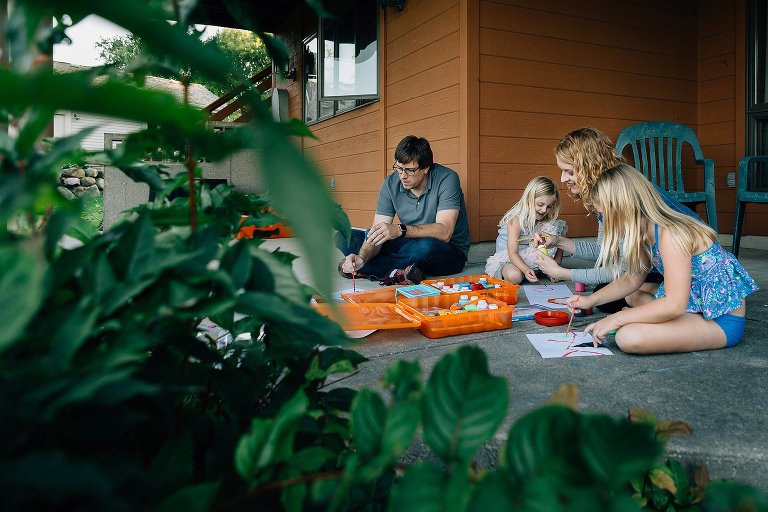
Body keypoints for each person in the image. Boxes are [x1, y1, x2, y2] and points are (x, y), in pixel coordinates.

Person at [566, 164, 758, 354]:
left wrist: (617, 319)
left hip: (720, 321)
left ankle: (650, 320)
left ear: (623, 208)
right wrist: (589, 300)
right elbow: (631, 279)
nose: (604, 221)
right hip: (693, 304)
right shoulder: (642, 233)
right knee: (632, 293)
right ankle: (653, 318)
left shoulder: (671, 235)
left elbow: (675, 304)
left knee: (628, 337)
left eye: (604, 215)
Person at [532, 127, 701, 312]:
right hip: (653, 267)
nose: (563, 179)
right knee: (605, 294)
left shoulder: (622, 199)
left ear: (590, 168)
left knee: (607, 296)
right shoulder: (608, 194)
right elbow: (605, 250)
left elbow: (621, 270)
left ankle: (668, 304)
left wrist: (564, 273)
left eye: (569, 172)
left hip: (687, 267)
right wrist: (558, 241)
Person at [337, 135, 471, 284]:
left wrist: (400, 230)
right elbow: (377, 231)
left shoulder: (447, 178)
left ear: (426, 167)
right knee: (344, 237)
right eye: (399, 168)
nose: (403, 176)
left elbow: (445, 232)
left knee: (424, 247)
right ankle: (395, 271)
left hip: (447, 250)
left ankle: (374, 269)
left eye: (410, 170)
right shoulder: (390, 183)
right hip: (408, 244)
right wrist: (362, 258)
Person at [484, 176, 566, 284]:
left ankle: (534, 271)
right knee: (515, 276)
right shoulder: (516, 219)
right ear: (529, 199)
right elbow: (512, 253)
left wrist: (556, 267)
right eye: (540, 204)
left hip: (532, 259)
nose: (544, 210)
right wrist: (526, 270)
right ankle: (524, 272)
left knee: (558, 229)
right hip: (510, 259)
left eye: (549, 206)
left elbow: (560, 242)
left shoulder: (548, 220)